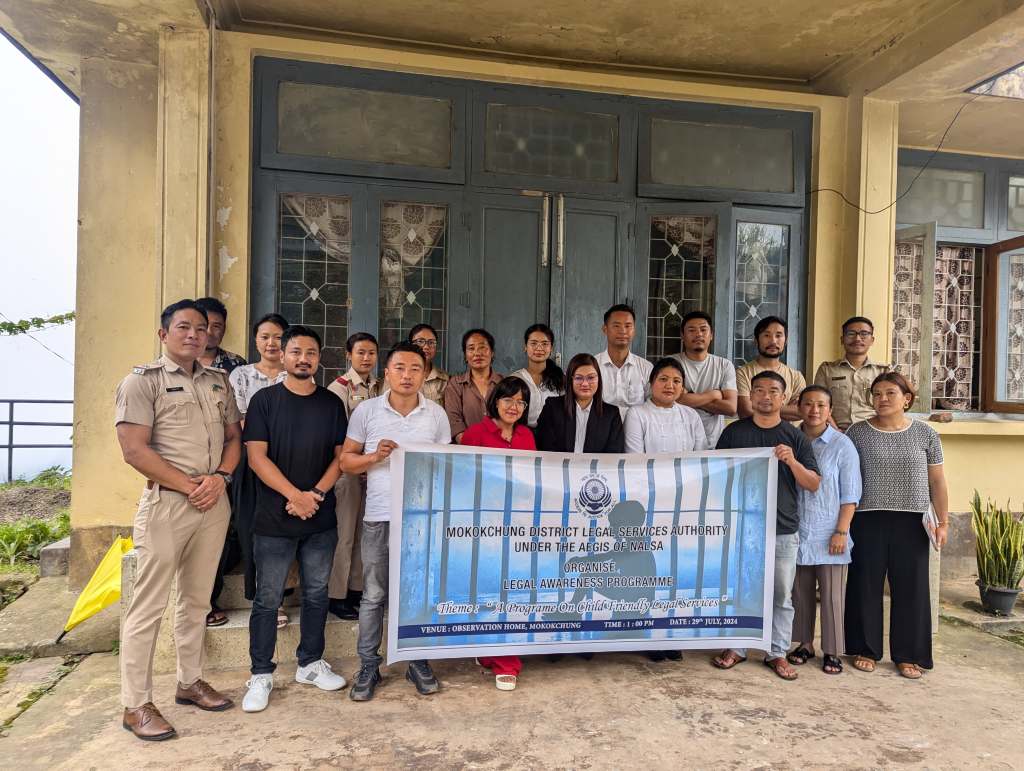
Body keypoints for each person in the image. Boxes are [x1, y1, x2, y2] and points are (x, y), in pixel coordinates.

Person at [115, 299, 242, 741]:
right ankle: (136, 704)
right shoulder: (142, 381)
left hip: (213, 502)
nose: (194, 335)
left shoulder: (218, 381)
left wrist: (221, 478)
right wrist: (190, 486)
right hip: (168, 503)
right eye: (184, 327)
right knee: (148, 606)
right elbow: (134, 450)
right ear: (163, 334)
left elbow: (233, 437)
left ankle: (190, 682)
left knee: (197, 599)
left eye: (201, 328)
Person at [240, 325, 349, 713]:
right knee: (268, 598)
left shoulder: (331, 404)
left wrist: (314, 495)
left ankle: (310, 663)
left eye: (311, 353)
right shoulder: (264, 401)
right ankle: (260, 673)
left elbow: (341, 457)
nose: (304, 359)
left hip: (319, 516)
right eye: (296, 352)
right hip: (274, 518)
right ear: (283, 356)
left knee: (317, 592)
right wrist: (294, 496)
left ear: (319, 358)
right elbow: (256, 458)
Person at [341, 342, 452, 701]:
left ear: (424, 374)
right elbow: (346, 462)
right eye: (400, 368)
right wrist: (374, 457)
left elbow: (446, 466)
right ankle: (368, 664)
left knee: (417, 593)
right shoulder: (367, 411)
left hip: (422, 520)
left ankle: (416, 660)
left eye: (415, 369)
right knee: (374, 595)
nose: (407, 375)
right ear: (386, 372)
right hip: (380, 516)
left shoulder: (436, 415)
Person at [711, 370, 821, 680]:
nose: (765, 396)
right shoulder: (734, 433)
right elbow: (716, 473)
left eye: (773, 391)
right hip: (743, 527)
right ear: (750, 396)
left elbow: (813, 483)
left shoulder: (795, 437)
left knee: (781, 594)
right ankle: (737, 647)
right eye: (758, 390)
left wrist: (792, 461)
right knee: (741, 589)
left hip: (783, 527)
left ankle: (777, 652)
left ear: (784, 398)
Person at [844, 372, 949, 679]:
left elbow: (937, 481)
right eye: (877, 393)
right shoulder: (857, 432)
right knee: (865, 585)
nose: (882, 399)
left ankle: (908, 654)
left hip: (913, 521)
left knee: (911, 588)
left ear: (907, 399)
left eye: (890, 393)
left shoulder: (926, 433)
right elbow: (846, 478)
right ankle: (866, 649)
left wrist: (943, 521)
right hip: (867, 518)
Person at [207, 313, 288, 628]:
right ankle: (260, 598)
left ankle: (278, 598)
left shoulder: (293, 375)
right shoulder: (240, 375)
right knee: (250, 528)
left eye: (278, 336)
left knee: (281, 529)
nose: (271, 343)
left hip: (287, 464)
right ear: (256, 340)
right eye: (265, 336)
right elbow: (237, 419)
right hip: (248, 462)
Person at [623, 357, 706, 663]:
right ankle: (648, 633)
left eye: (676, 381)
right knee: (649, 571)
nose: (670, 386)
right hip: (649, 504)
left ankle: (673, 632)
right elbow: (635, 459)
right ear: (651, 383)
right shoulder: (637, 414)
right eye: (663, 379)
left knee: (676, 569)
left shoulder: (690, 415)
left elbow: (701, 458)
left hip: (684, 505)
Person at [460, 376, 537, 690]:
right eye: (508, 400)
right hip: (484, 527)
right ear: (495, 401)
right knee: (488, 590)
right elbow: (464, 480)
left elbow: (533, 480)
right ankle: (490, 651)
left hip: (518, 526)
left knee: (512, 591)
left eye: (521, 401)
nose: (514, 407)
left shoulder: (526, 436)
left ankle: (507, 661)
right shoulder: (475, 434)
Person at [787, 386, 861, 676]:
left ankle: (832, 651)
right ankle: (804, 644)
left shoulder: (842, 445)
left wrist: (841, 531)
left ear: (830, 410)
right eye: (808, 404)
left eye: (820, 405)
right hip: (797, 529)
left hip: (830, 530)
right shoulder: (790, 440)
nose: (814, 410)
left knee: (832, 596)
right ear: (799, 407)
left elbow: (850, 494)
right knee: (800, 594)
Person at [326, 332, 381, 621]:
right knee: (345, 534)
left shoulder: (380, 386)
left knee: (364, 534)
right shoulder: (340, 388)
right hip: (347, 471)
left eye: (371, 352)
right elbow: (337, 435)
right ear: (349, 354)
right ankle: (336, 595)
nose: (366, 358)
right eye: (360, 352)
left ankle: (356, 589)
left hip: (373, 471)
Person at [670, 311, 738, 446]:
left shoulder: (724, 365)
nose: (698, 334)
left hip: (713, 442)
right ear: (682, 335)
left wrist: (688, 397)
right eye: (691, 330)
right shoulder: (671, 363)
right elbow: (672, 399)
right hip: (678, 439)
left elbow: (731, 408)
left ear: (711, 335)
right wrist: (713, 395)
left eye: (703, 329)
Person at [536, 353, 625, 455]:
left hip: (597, 466)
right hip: (557, 465)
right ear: (570, 380)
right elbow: (545, 447)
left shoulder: (611, 414)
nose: (585, 384)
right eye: (578, 378)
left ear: (598, 379)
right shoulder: (552, 407)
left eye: (591, 377)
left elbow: (613, 455)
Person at [813, 317, 891, 431]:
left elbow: (891, 407)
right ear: (842, 339)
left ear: (872, 340)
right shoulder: (827, 369)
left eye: (864, 334)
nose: (857, 338)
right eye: (851, 334)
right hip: (835, 433)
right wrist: (837, 433)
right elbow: (819, 404)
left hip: (874, 432)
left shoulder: (883, 371)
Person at [736, 316, 806, 421]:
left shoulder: (796, 376)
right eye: (767, 335)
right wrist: (786, 409)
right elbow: (746, 411)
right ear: (756, 340)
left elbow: (801, 412)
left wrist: (759, 407)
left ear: (786, 340)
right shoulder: (743, 373)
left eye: (778, 335)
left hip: (785, 432)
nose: (773, 341)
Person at [444, 328, 502, 443]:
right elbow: (454, 421)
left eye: (482, 347)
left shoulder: (503, 383)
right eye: (471, 348)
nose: (477, 353)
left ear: (492, 353)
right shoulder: (456, 384)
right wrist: (471, 446)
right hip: (467, 449)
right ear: (465, 356)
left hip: (498, 448)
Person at [595, 304, 652, 421]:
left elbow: (653, 404)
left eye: (628, 326)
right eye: (616, 326)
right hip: (601, 427)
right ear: (605, 329)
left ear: (634, 330)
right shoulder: (593, 365)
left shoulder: (646, 367)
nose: (623, 331)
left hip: (637, 427)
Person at [510, 323, 564, 429]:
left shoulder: (560, 378)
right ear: (525, 347)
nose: (539, 348)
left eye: (545, 344)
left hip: (553, 434)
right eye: (533, 343)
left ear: (551, 348)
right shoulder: (515, 379)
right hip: (522, 433)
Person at [196, 297, 246, 373]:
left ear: (224, 329)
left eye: (216, 326)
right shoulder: (178, 361)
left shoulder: (237, 365)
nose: (209, 332)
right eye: (204, 325)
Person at [409, 323, 449, 406]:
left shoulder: (445, 379)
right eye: (420, 341)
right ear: (410, 344)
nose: (426, 347)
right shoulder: (399, 376)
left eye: (431, 342)